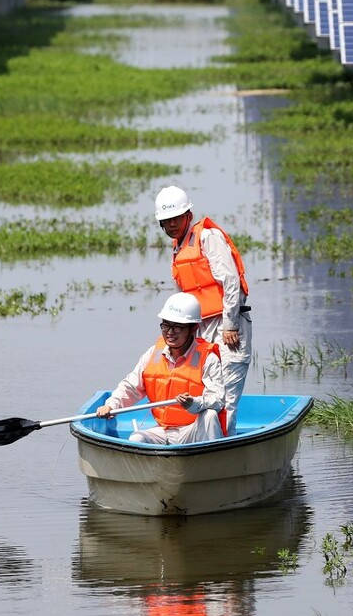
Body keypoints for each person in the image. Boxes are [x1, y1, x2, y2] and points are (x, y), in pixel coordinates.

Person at [153, 185, 252, 437]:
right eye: (166, 221)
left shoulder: (207, 237)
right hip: (200, 328)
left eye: (175, 218)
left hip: (227, 324)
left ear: (188, 214)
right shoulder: (178, 248)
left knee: (227, 395)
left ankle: (223, 450)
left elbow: (230, 281)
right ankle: (197, 444)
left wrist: (230, 325)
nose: (171, 225)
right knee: (205, 391)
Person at [96, 292, 224, 445]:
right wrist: (111, 405)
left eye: (177, 327)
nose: (170, 332)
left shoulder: (208, 358)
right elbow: (130, 387)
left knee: (209, 415)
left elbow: (217, 399)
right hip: (162, 430)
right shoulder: (153, 354)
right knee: (136, 439)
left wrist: (193, 403)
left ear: (193, 328)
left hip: (193, 429)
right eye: (166, 325)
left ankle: (211, 462)